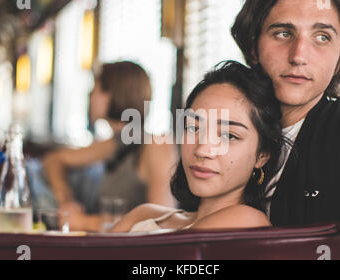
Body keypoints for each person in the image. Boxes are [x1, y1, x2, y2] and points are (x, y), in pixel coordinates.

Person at [231, 0, 340, 226]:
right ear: (254, 47)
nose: (299, 56)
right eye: (283, 33)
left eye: (322, 37)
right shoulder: (224, 130)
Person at [110, 61, 285, 233]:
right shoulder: (144, 214)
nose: (202, 150)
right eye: (193, 128)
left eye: (229, 135)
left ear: (262, 155)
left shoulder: (247, 220)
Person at [40, 61, 178, 231]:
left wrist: (84, 221)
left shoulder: (156, 145)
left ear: (112, 94)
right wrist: (66, 201)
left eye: (95, 90)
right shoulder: (117, 142)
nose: (89, 96)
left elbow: (163, 221)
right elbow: (54, 159)